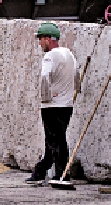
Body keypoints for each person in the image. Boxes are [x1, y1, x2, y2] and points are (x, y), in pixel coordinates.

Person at [26, 22, 81, 185]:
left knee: (57, 140)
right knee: (53, 140)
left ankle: (61, 174)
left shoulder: (50, 56)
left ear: (48, 39)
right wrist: (76, 90)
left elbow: (44, 77)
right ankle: (40, 171)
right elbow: (77, 73)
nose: (39, 43)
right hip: (67, 105)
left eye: (41, 39)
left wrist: (45, 97)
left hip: (52, 106)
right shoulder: (68, 53)